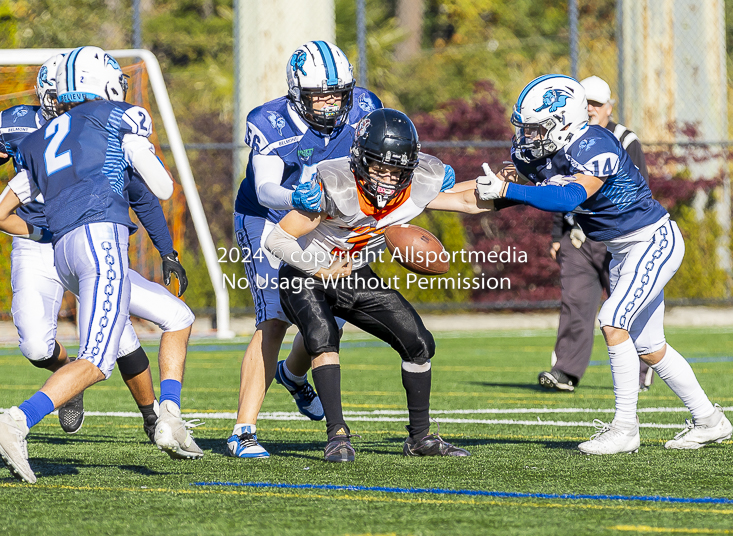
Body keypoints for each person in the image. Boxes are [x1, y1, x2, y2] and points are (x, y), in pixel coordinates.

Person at [477, 74, 732, 454]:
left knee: (613, 320)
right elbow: (519, 182)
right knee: (650, 346)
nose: (528, 136)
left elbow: (569, 197)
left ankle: (625, 429)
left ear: (563, 122)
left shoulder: (596, 143)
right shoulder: (544, 151)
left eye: (535, 128)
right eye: (526, 128)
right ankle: (710, 420)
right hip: (621, 251)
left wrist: (508, 190)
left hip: (652, 240)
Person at [0, 46, 201, 484]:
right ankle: (15, 419)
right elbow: (161, 189)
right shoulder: (114, 118)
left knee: (178, 317)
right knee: (96, 361)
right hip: (97, 239)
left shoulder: (39, 140)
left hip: (64, 249)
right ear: (105, 85)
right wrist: (134, 148)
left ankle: (167, 416)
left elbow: (6, 205)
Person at [266, 108, 491, 462]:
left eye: (397, 169)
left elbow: (467, 200)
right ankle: (337, 435)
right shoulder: (335, 184)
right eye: (379, 167)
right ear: (360, 159)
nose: (387, 177)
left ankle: (420, 438)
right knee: (324, 338)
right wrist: (319, 268)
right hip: (306, 273)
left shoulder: (418, 184)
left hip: (355, 273)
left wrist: (516, 189)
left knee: (418, 343)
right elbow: (278, 239)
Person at [228, 41, 388, 458]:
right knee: (276, 318)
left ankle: (293, 376)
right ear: (297, 92)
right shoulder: (270, 119)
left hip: (328, 218)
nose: (331, 105)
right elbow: (264, 188)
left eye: (338, 94)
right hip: (268, 217)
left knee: (332, 310)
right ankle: (243, 430)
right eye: (320, 96)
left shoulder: (365, 107)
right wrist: (296, 198)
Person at [539, 75, 654, 392]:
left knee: (628, 306)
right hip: (578, 238)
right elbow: (557, 189)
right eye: (585, 102)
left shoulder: (624, 140)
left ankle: (644, 368)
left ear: (609, 107)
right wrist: (556, 234)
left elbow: (638, 191)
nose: (590, 109)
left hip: (618, 237)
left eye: (596, 104)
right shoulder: (564, 140)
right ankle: (566, 371)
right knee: (575, 304)